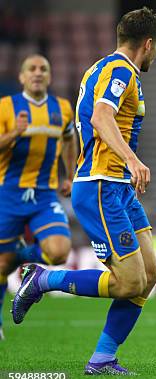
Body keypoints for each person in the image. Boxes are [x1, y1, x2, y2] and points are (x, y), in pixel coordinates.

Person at [12, 7, 156, 375]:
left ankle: (102, 359)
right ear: (148, 43)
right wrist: (130, 159)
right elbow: (100, 117)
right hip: (101, 185)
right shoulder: (121, 70)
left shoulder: (102, 68)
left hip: (118, 187)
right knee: (129, 281)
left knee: (149, 274)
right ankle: (44, 279)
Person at [0, 54, 77, 340]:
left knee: (59, 252)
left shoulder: (62, 108)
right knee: (0, 267)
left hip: (44, 195)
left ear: (50, 76)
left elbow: (69, 139)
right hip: (8, 193)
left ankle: (20, 257)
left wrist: (68, 174)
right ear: (21, 77)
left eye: (43, 69)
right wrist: (13, 135)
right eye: (31, 69)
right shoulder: (6, 107)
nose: (37, 73)